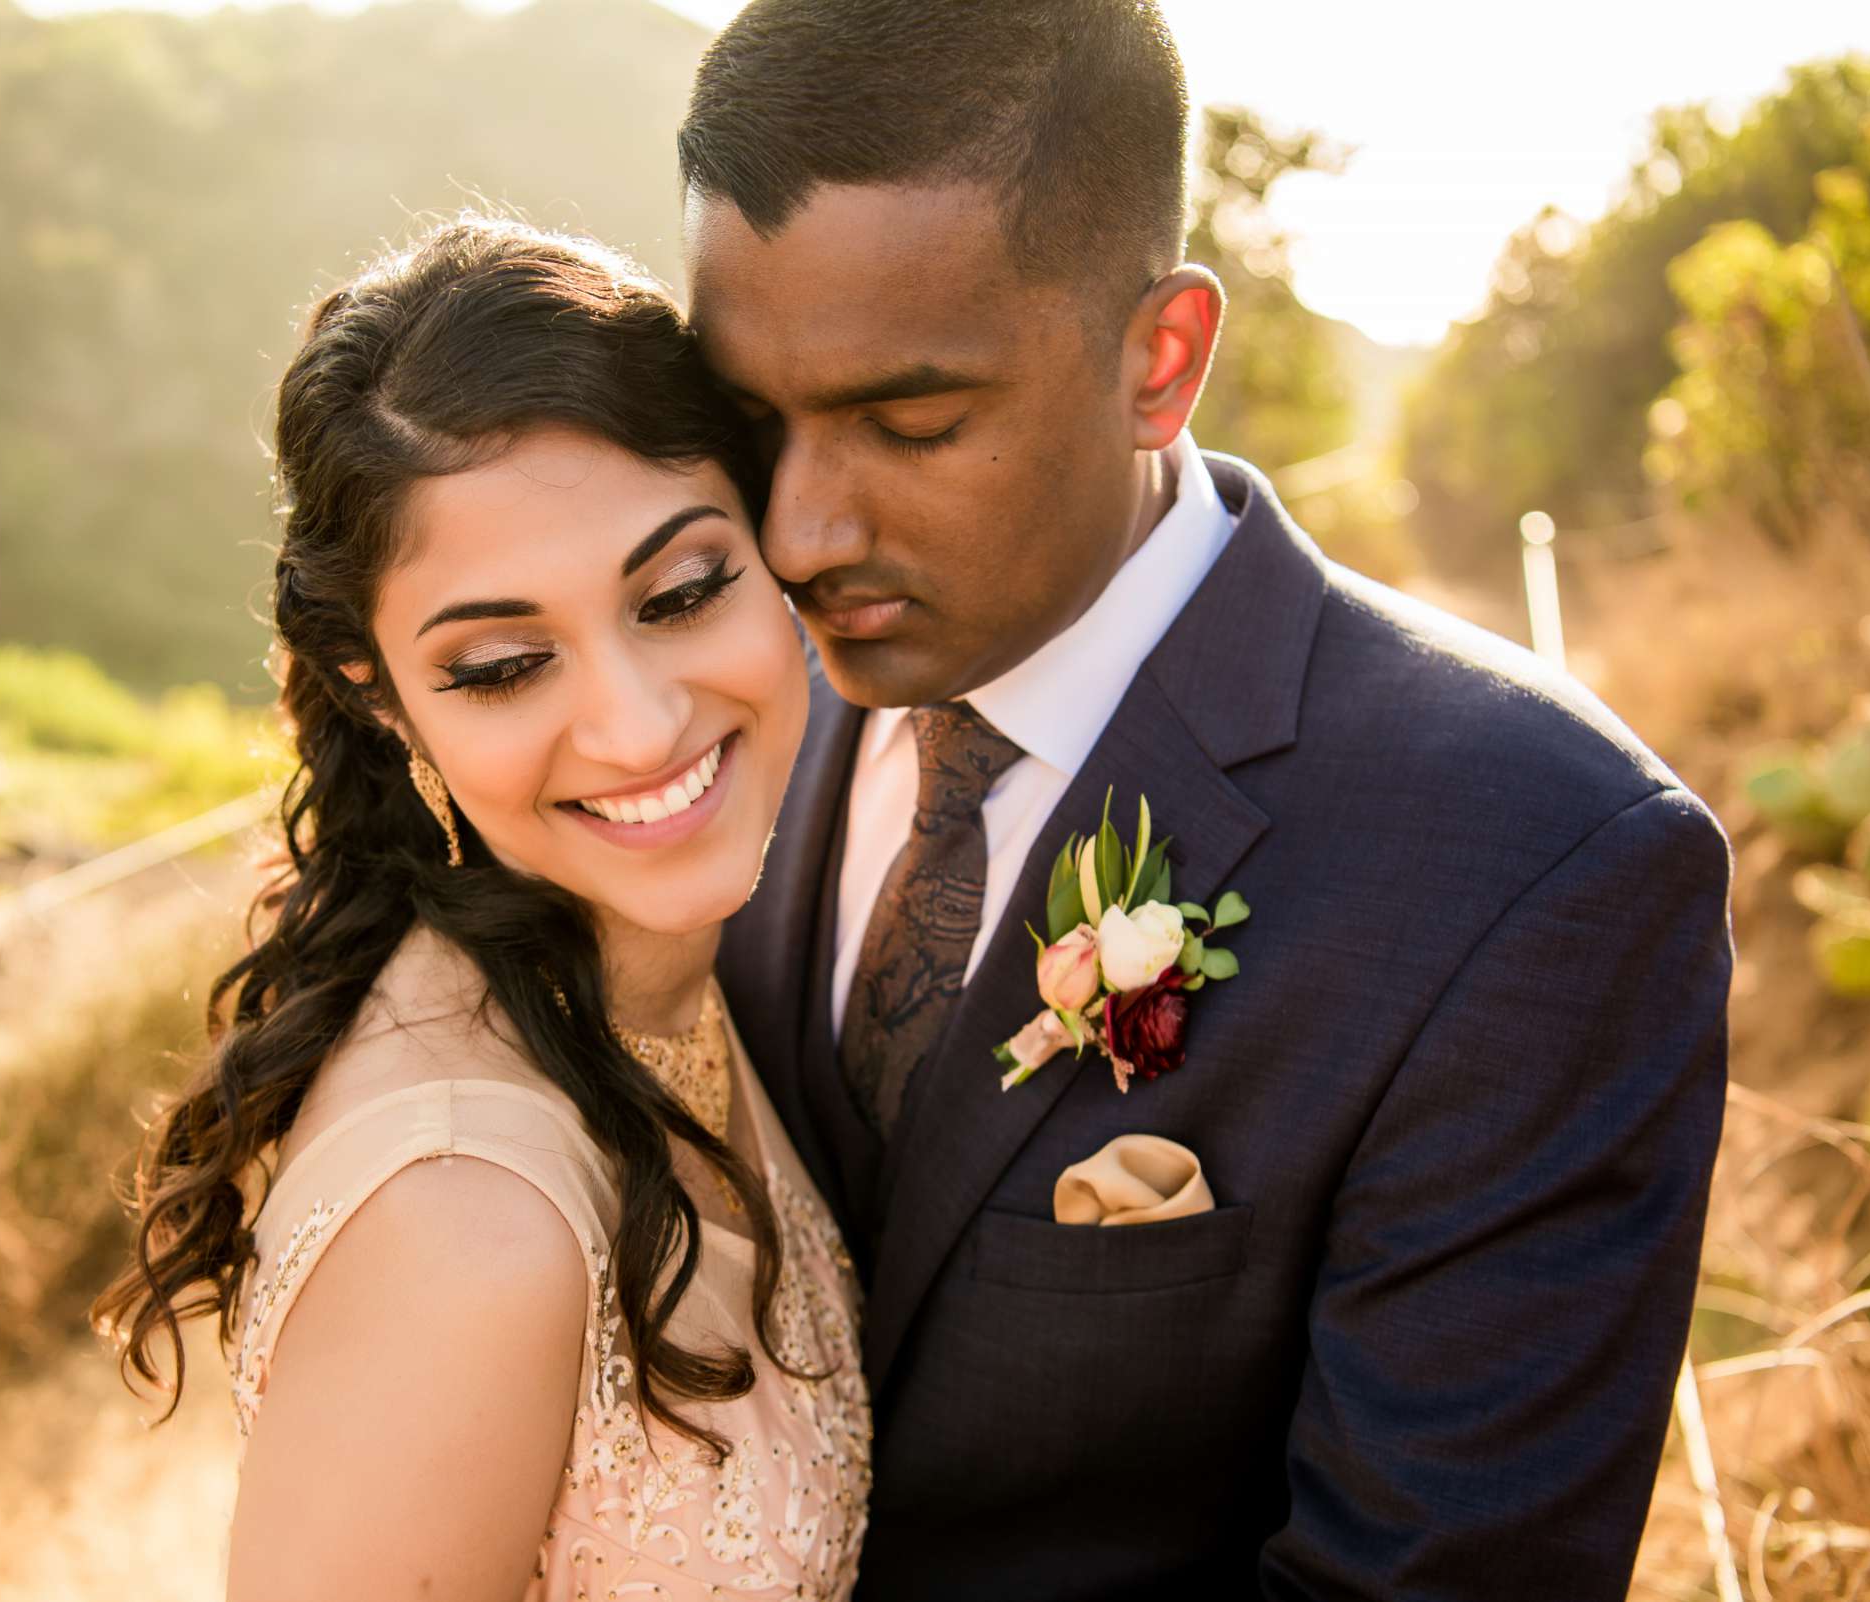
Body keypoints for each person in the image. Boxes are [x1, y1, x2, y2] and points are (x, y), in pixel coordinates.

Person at [685, 2, 1736, 1597]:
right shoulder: (690, 725)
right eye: (746, 422)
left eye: (911, 422)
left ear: (1158, 361)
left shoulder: (1543, 864)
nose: (800, 528)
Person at [89, 217, 870, 1601]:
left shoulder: (661, 974)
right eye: (506, 666)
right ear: (379, 692)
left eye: (682, 592)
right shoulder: (465, 1223)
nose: (634, 729)